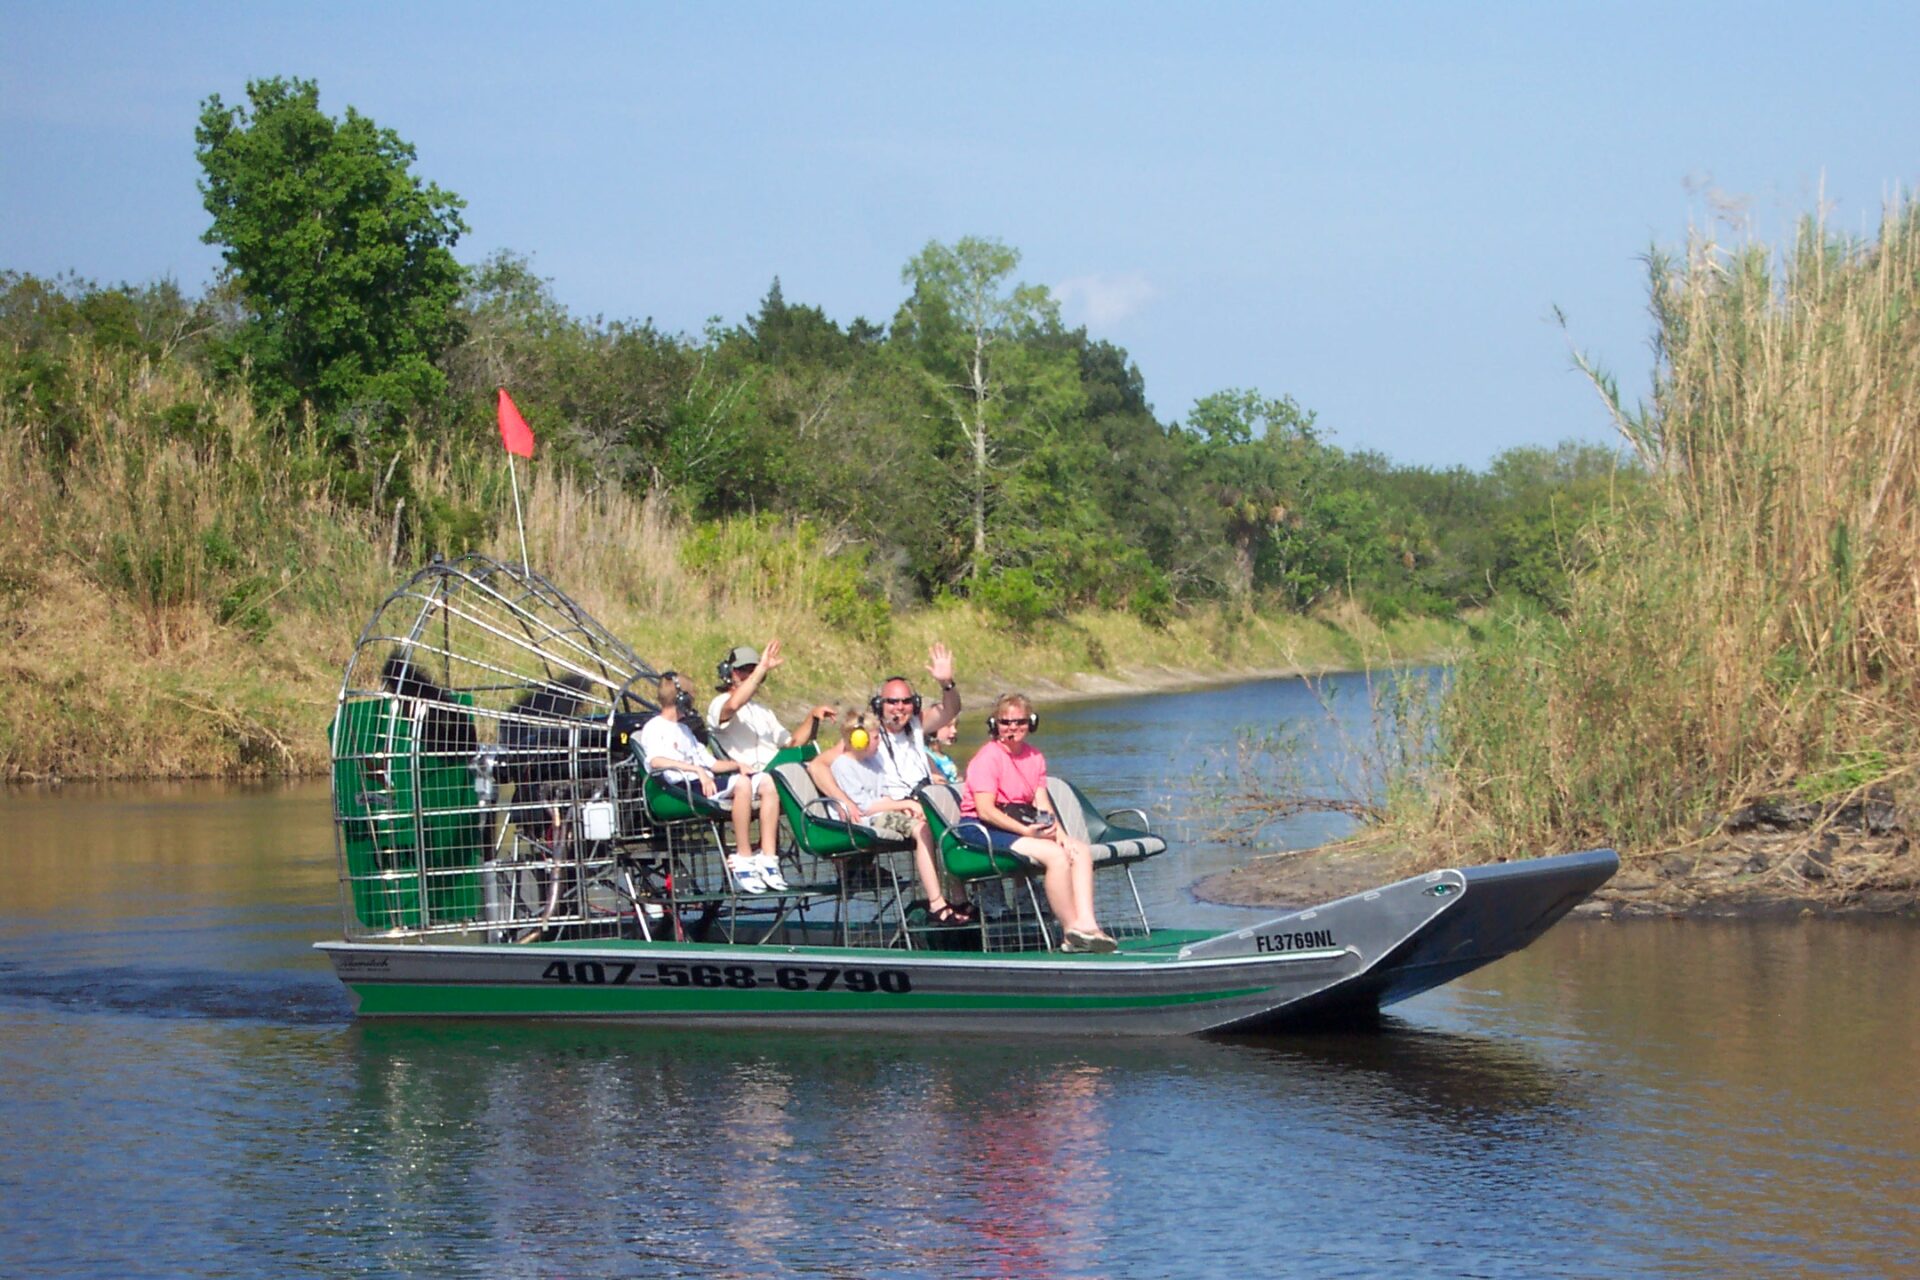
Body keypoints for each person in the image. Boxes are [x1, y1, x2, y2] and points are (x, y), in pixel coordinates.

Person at [962, 692, 1112, 952]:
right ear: (994, 724)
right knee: (1055, 856)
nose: (1012, 728)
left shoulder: (1034, 757)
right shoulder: (987, 758)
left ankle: (1089, 925)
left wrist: (1060, 832)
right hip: (981, 828)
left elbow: (1041, 801)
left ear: (1030, 723)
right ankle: (1070, 931)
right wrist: (1025, 831)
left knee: (1079, 851)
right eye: (1005, 722)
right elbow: (985, 811)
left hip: (1018, 821)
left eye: (1019, 722)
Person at [811, 708, 974, 924]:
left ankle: (957, 896)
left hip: (880, 813)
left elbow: (885, 796)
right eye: (876, 737)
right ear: (859, 740)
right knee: (922, 829)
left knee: (934, 823)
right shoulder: (843, 765)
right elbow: (865, 807)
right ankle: (936, 902)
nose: (880, 742)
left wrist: (903, 807)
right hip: (865, 821)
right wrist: (904, 804)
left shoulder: (875, 762)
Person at [639, 671, 787, 894]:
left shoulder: (685, 730)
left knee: (766, 781)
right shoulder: (654, 727)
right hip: (678, 789)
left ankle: (768, 857)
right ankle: (743, 856)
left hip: (699, 783)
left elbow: (711, 763)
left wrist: (738, 765)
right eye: (691, 695)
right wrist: (696, 770)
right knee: (742, 785)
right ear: (682, 699)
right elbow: (656, 761)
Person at [708, 638, 835, 771]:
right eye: (743, 669)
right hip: (750, 776)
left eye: (754, 670)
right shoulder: (719, 702)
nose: (750, 675)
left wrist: (812, 716)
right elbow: (734, 705)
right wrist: (761, 668)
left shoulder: (763, 711)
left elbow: (791, 744)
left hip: (778, 770)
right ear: (728, 672)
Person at [926, 718, 962, 785]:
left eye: (955, 726)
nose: (954, 731)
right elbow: (938, 780)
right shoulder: (927, 755)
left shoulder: (945, 756)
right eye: (948, 726)